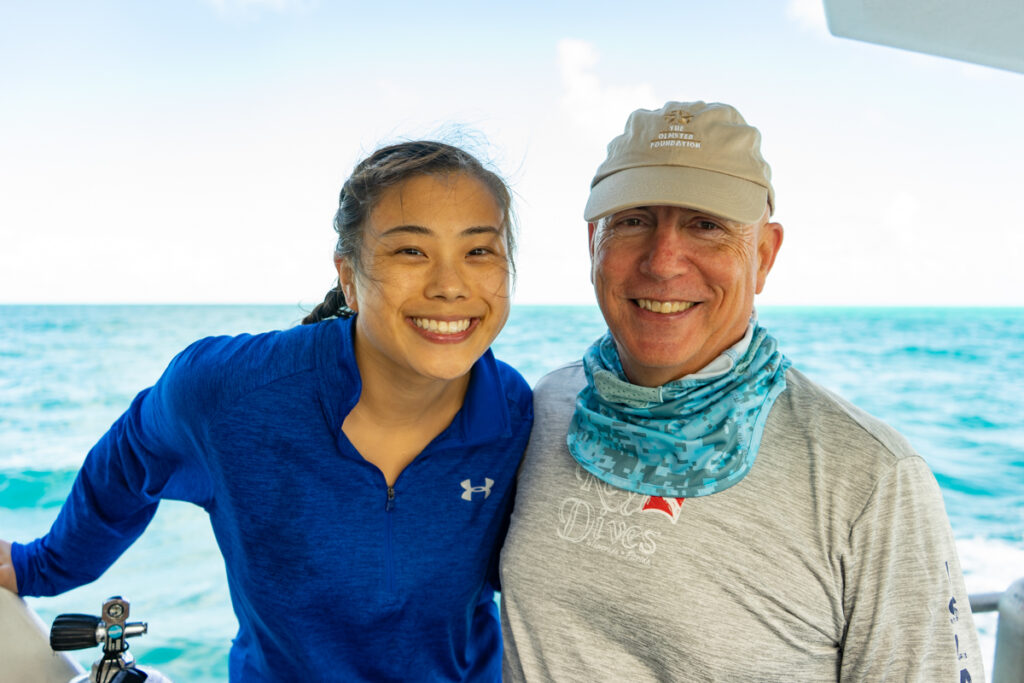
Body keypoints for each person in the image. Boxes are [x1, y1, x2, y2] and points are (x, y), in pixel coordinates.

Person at [0, 140, 533, 681]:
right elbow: (134, 449)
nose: (449, 285)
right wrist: (45, 564)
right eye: (411, 252)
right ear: (349, 276)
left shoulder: (517, 417)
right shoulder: (229, 393)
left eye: (479, 251)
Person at [498, 101, 982, 681]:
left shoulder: (871, 478)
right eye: (633, 220)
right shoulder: (544, 406)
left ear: (764, 255)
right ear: (593, 242)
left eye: (707, 224)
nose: (663, 260)